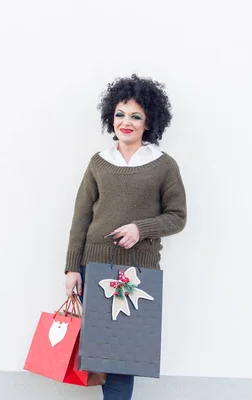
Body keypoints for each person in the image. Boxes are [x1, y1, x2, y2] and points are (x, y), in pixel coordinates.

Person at [64, 74, 187, 399]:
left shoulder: (163, 166)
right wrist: (72, 268)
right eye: (120, 114)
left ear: (149, 122)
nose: (126, 122)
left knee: (122, 360)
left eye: (135, 116)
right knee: (97, 361)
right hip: (96, 269)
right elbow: (81, 218)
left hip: (138, 275)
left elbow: (178, 217)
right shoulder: (99, 163)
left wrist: (140, 228)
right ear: (111, 117)